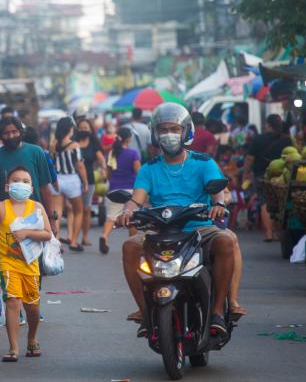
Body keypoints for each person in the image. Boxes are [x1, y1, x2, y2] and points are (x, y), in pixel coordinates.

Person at [117, 103, 237, 338]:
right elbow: (137, 199)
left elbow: (217, 192)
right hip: (160, 231)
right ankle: (144, 312)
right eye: (163, 129)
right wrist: (127, 212)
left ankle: (217, 312)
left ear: (186, 132)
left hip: (199, 228)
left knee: (225, 241)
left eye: (174, 129)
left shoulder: (204, 162)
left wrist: (219, 205)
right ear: (155, 134)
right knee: (130, 247)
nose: (169, 134)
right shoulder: (149, 168)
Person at [0, 166, 52, 362]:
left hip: (31, 266)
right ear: (7, 186)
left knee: (32, 307)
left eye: (25, 181)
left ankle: (32, 337)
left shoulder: (37, 207)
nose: (20, 184)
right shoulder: (0, 207)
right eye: (16, 180)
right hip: (8, 265)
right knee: (12, 302)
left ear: (31, 188)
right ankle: (13, 347)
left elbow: (47, 233)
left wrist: (27, 233)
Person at [0, 117, 57, 234]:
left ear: (21, 132)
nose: (11, 136)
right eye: (6, 133)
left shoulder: (36, 152)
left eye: (14, 132)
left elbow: (45, 188)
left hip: (34, 217)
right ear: (0, 136)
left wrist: (52, 219)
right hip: (6, 220)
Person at [243, 114, 292, 242]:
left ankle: (269, 233)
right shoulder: (287, 140)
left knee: (264, 202)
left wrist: (246, 173)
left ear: (267, 124)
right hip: (282, 176)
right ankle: (277, 232)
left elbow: (249, 158)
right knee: (280, 201)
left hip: (261, 175)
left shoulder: (258, 139)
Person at [99, 127, 140, 254]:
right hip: (129, 190)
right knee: (131, 218)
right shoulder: (133, 154)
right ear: (129, 138)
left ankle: (104, 236)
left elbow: (109, 173)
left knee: (111, 218)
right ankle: (132, 243)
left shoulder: (112, 153)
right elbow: (138, 172)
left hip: (114, 190)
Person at [51, 117, 89, 251]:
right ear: (69, 129)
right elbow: (80, 166)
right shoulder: (75, 145)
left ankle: (56, 241)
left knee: (57, 212)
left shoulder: (53, 144)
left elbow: (52, 162)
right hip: (72, 179)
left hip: (57, 179)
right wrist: (85, 182)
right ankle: (73, 241)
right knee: (78, 211)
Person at [76, 118, 107, 247]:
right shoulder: (73, 143)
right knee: (74, 209)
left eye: (86, 128)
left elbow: (101, 159)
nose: (83, 130)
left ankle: (85, 237)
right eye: (81, 128)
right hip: (74, 179)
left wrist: (103, 168)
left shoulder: (94, 144)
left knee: (86, 209)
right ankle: (73, 238)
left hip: (90, 179)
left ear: (90, 130)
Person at [23, 126, 58, 193]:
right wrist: (56, 187)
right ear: (36, 138)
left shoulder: (19, 154)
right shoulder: (43, 153)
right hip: (41, 189)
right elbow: (52, 173)